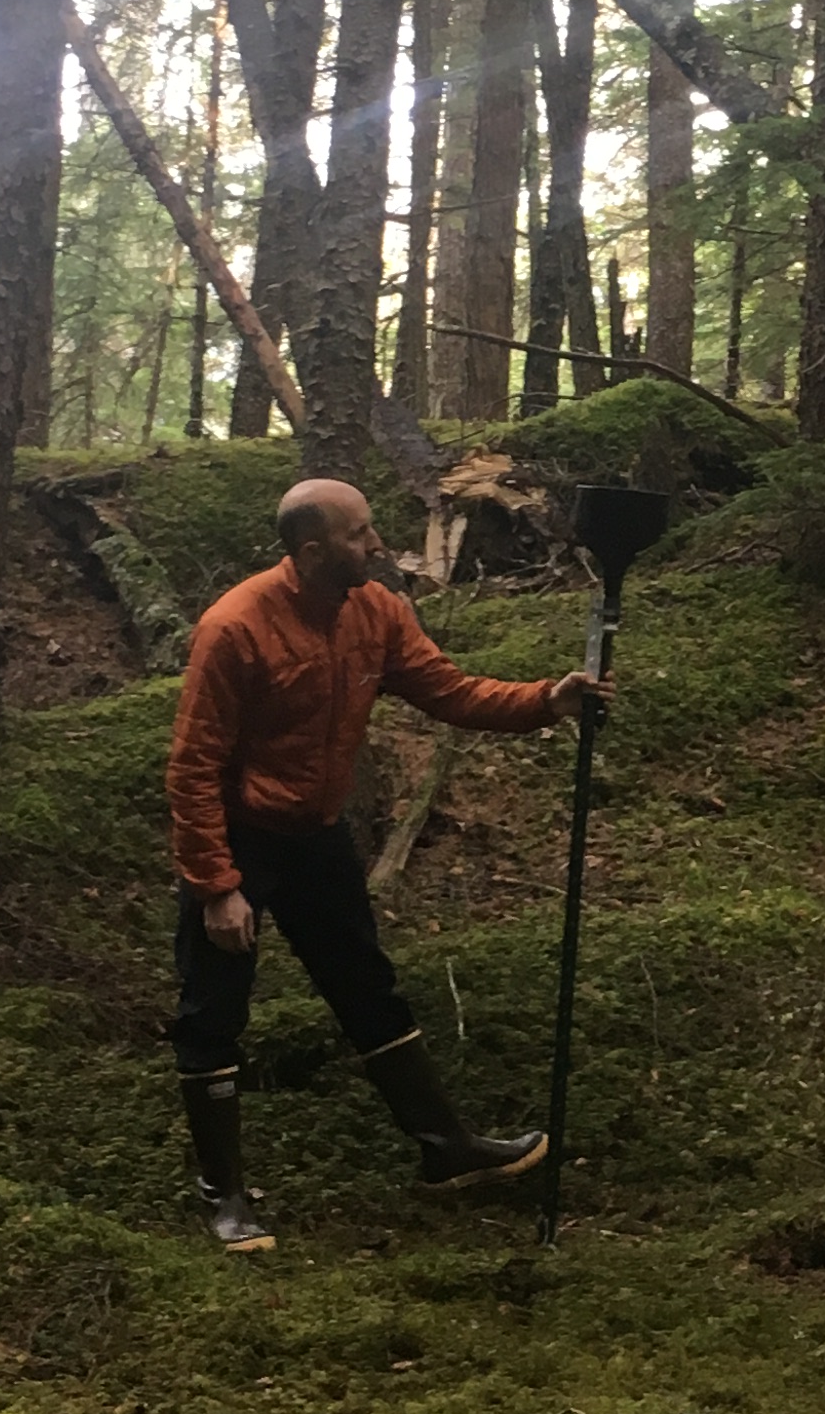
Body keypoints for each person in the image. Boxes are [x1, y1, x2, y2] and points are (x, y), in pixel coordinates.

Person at [164, 474, 603, 1250]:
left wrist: (547, 701)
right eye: (360, 533)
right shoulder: (235, 627)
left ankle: (445, 1149)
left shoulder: (377, 611)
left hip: (317, 835)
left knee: (366, 985)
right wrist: (216, 886)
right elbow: (193, 765)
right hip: (239, 837)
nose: (377, 544)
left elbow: (449, 691)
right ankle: (224, 1195)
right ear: (310, 550)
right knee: (213, 1013)